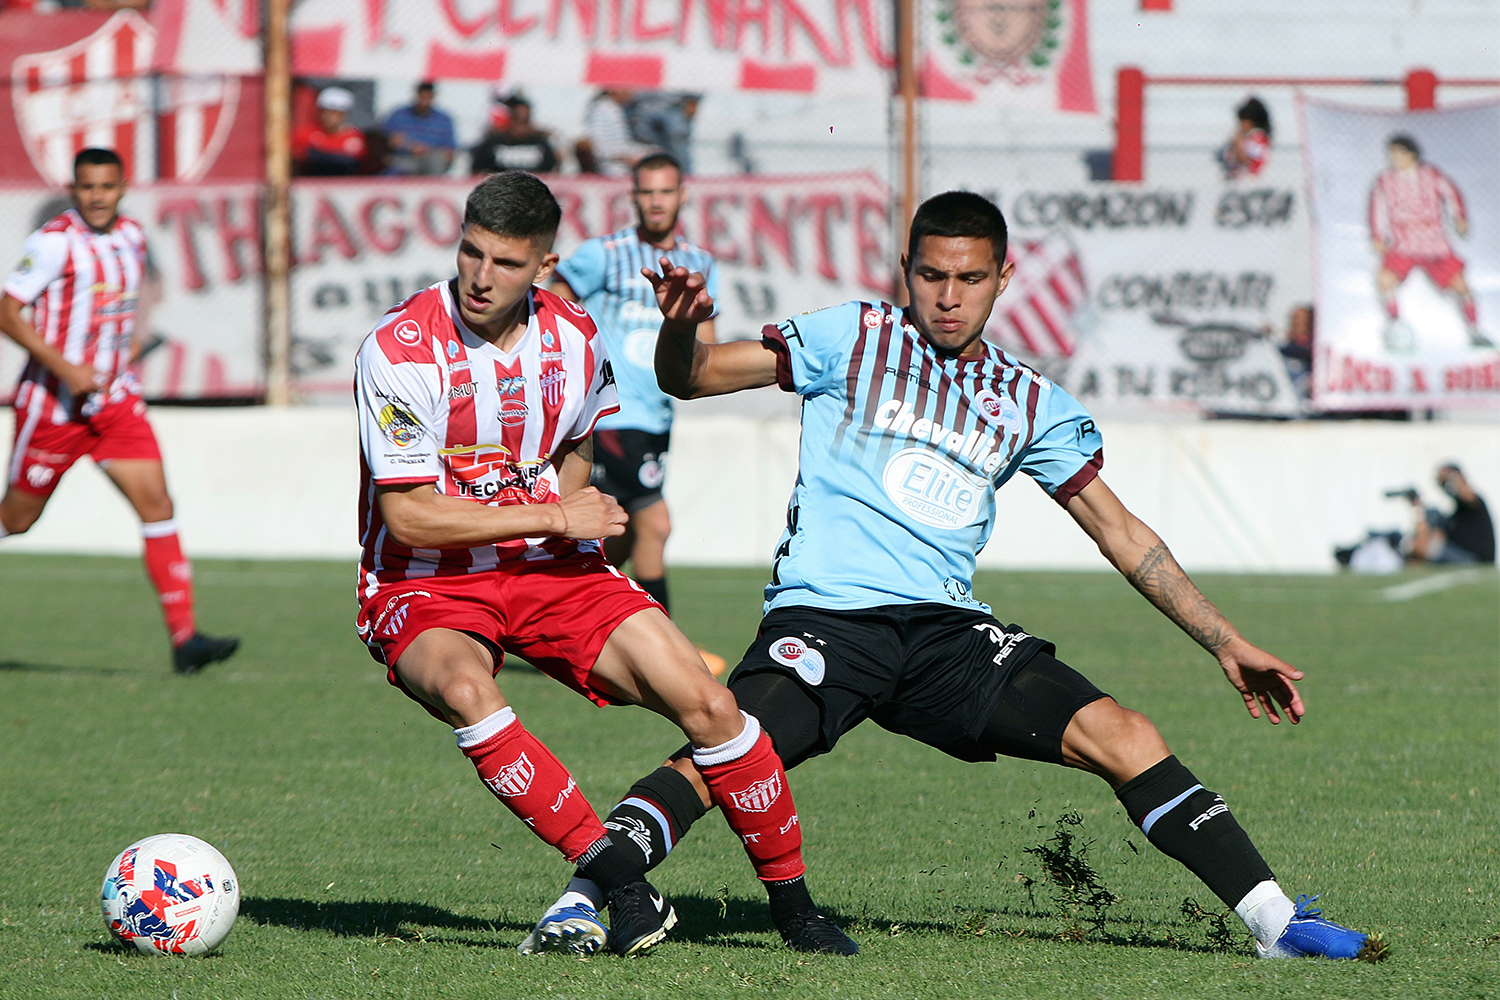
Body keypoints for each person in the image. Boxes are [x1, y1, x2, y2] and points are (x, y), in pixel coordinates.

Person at [526, 191, 1386, 963]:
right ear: (907, 270)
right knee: (728, 753)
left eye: (969, 278)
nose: (947, 295)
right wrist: (682, 327)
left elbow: (1120, 533)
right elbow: (695, 376)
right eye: (931, 274)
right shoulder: (851, 336)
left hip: (946, 636)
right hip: (829, 619)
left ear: (1003, 277)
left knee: (1125, 733)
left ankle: (1277, 924)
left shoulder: (1029, 400)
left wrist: (1224, 640)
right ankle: (587, 896)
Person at [352, 171, 846, 959]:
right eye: (470, 254)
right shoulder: (400, 347)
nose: (481, 278)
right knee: (467, 690)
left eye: (505, 264)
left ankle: (798, 910)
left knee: (711, 705)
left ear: (544, 267)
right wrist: (552, 512)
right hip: (425, 579)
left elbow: (576, 448)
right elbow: (408, 513)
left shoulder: (575, 336)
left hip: (552, 570)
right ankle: (621, 881)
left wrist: (561, 516)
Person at [0, 147, 239, 674]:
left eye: (106, 187)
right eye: (87, 188)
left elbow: (120, 313)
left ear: (123, 187)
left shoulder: (132, 237)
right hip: (53, 408)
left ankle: (185, 640)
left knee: (157, 505)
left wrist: (118, 360)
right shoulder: (52, 244)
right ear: (74, 189)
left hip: (114, 404)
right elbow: (7, 312)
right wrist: (66, 368)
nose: (97, 197)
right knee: (16, 521)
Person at [550, 153, 716, 649]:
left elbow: (705, 338)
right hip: (612, 415)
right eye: (647, 192)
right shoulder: (603, 253)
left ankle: (561, 619)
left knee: (618, 537)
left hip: (657, 414)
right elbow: (554, 304)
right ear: (634, 197)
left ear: (682, 194)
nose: (656, 202)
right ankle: (669, 652)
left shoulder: (701, 262)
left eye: (665, 191)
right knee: (654, 522)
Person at [1369, 135, 1492, 350]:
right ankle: (1395, 328)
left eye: (1398, 154)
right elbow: (1376, 209)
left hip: (1434, 243)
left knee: (1461, 286)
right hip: (1403, 244)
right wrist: (1378, 237)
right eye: (1392, 155)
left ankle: (1475, 331)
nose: (1394, 158)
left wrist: (1460, 219)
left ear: (1411, 154)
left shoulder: (1431, 175)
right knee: (1385, 281)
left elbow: (1453, 195)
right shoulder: (1384, 181)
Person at [1407, 464, 1494, 564]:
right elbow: (1423, 539)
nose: (1445, 486)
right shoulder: (1454, 517)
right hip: (1460, 557)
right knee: (1431, 516)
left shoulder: (1475, 505)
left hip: (1475, 560)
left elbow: (1466, 493)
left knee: (1428, 547)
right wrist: (1416, 506)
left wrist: (1453, 477)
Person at [383, 81, 458, 176]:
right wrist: (410, 147)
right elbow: (388, 141)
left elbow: (450, 151)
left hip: (431, 161)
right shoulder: (398, 115)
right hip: (404, 159)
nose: (423, 102)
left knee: (435, 161)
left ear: (433, 97)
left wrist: (427, 151)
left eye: (427, 97)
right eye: (422, 97)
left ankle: (432, 189)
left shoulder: (444, 120)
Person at [469, 97, 559, 175]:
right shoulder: (493, 143)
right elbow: (476, 170)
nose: (521, 126)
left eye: (525, 120)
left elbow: (551, 169)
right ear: (510, 119)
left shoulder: (540, 143)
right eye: (517, 119)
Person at [292, 87, 367, 177]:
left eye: (337, 113)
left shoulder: (356, 137)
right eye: (327, 111)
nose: (331, 117)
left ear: (346, 114)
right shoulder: (305, 133)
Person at [582, 89, 655, 177]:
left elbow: (621, 144)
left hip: (623, 168)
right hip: (613, 172)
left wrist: (647, 152)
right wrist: (632, 157)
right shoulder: (603, 109)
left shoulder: (615, 108)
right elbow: (601, 149)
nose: (633, 92)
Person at [1218, 97, 1271, 180]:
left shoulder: (1257, 137)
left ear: (1250, 121)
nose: (1240, 124)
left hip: (1250, 179)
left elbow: (1246, 161)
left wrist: (1237, 142)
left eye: (1242, 121)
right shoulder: (1248, 136)